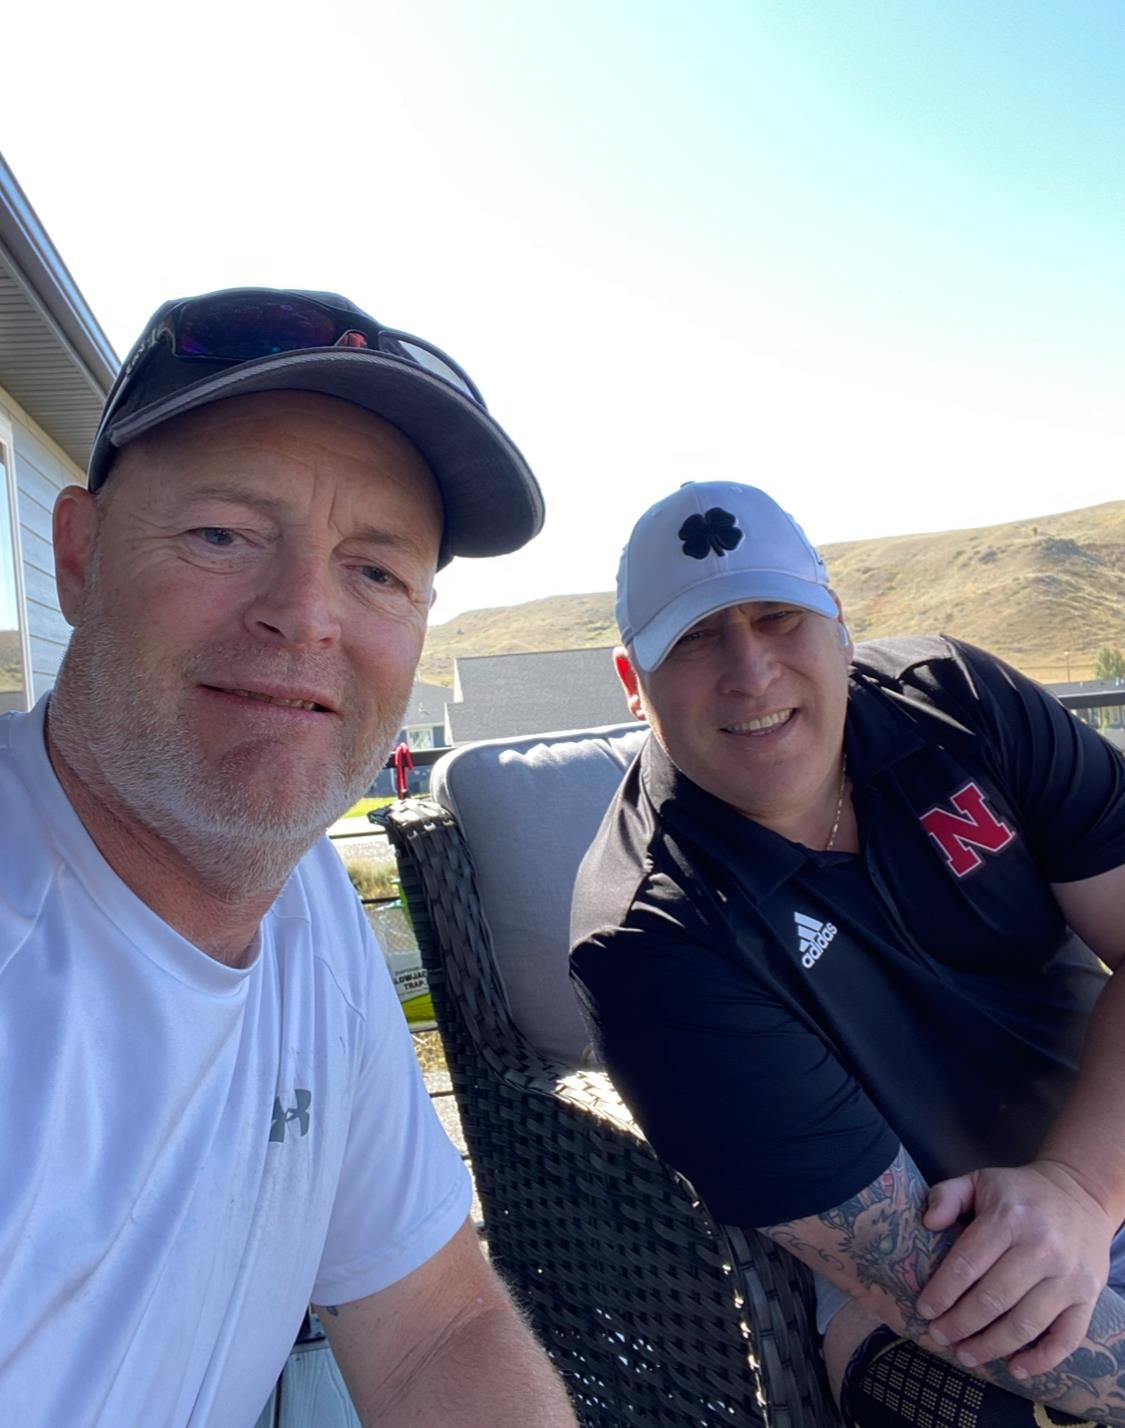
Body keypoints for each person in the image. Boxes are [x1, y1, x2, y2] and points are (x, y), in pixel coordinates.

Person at [0, 287, 577, 1427]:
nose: (305, 616)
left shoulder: (307, 904)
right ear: (78, 555)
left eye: (376, 570)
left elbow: (433, 1329)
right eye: (225, 535)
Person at [570, 479, 1125, 1426]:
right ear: (633, 683)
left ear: (839, 625)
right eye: (696, 638)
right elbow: (924, 1285)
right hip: (927, 1262)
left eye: (778, 617)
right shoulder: (649, 941)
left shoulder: (958, 702)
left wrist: (1081, 1187)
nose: (750, 673)